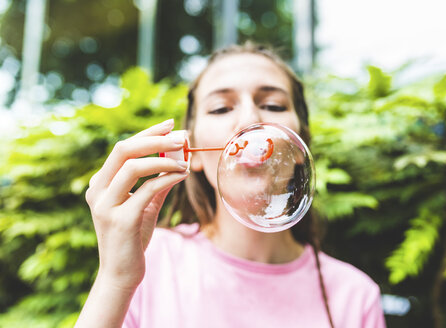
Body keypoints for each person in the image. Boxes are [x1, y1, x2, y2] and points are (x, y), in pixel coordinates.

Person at [76, 42, 386, 328]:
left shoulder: (354, 297)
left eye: (274, 106)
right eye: (221, 108)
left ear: (299, 145)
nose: (250, 120)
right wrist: (116, 280)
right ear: (192, 150)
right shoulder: (149, 260)